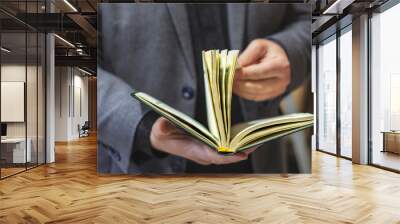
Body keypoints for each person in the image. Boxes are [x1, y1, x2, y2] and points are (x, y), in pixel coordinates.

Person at [98, 3, 311, 174]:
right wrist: (142, 126)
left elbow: (308, 16)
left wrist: (289, 51)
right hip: (146, 170)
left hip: (259, 164)